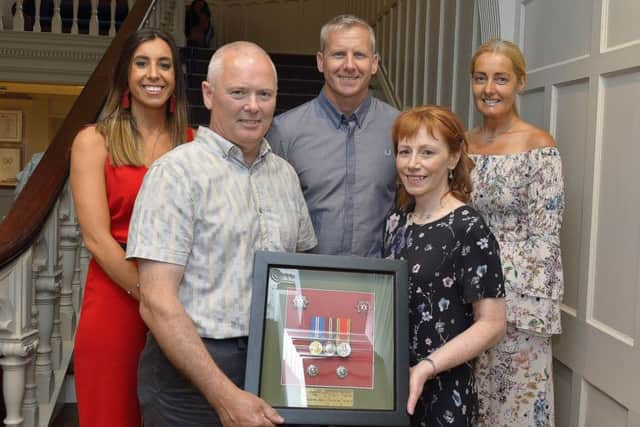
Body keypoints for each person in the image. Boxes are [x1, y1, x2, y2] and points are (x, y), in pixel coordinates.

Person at [126, 41, 317, 426]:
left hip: (270, 367)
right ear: (209, 95)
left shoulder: (285, 175)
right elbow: (157, 302)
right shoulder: (175, 174)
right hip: (189, 380)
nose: (253, 106)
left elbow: (301, 279)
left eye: (264, 94)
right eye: (239, 92)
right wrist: (223, 394)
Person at [70, 29, 191, 427]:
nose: (153, 74)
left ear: (176, 77)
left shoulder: (195, 144)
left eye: (164, 64)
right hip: (116, 296)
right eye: (141, 63)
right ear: (125, 74)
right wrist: (151, 297)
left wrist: (168, 304)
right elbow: (96, 238)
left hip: (183, 301)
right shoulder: (93, 141)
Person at [382, 105, 506, 426]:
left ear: (452, 158)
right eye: (404, 151)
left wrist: (427, 367)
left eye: (427, 152)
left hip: (444, 391)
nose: (413, 164)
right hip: (392, 386)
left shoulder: (468, 227)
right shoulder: (395, 222)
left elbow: (492, 324)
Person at [467, 39, 565, 426]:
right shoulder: (462, 144)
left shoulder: (538, 145)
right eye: (480, 78)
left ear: (520, 83)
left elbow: (545, 240)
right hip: (464, 305)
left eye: (501, 79)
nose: (489, 89)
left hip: (518, 310)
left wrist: (493, 296)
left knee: (515, 410)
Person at [267, 14, 399, 257]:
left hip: (378, 283)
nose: (349, 65)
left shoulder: (399, 128)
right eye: (338, 54)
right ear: (320, 61)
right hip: (306, 283)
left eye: (359, 55)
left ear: (374, 63)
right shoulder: (284, 132)